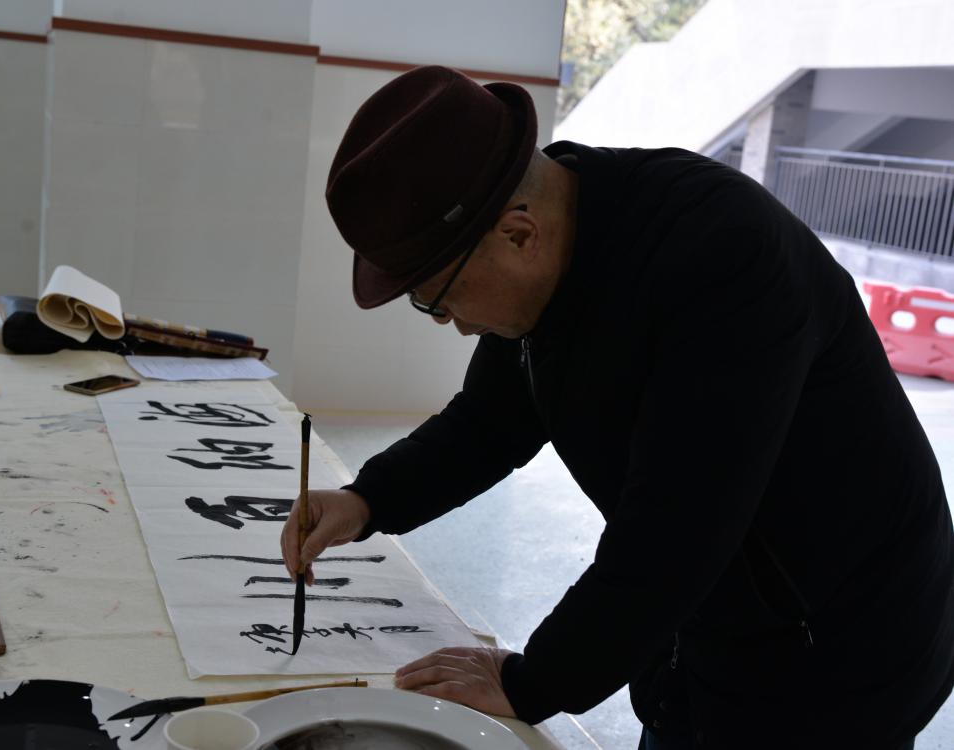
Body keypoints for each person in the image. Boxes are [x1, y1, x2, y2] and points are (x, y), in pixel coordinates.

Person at [280, 65, 954, 749]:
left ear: (518, 235)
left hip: (837, 645)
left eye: (437, 298)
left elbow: (679, 524)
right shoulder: (554, 235)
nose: (450, 324)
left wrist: (534, 682)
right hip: (708, 624)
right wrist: (367, 500)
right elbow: (489, 420)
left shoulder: (723, 257)